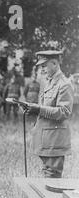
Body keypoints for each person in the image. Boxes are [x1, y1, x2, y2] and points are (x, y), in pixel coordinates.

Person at [25, 50, 74, 178]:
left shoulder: (64, 84)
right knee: (47, 173)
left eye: (44, 65)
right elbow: (45, 107)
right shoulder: (49, 82)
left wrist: (39, 109)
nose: (41, 69)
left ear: (54, 63)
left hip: (55, 139)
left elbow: (64, 112)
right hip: (46, 136)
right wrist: (31, 109)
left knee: (52, 176)